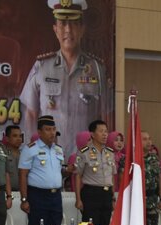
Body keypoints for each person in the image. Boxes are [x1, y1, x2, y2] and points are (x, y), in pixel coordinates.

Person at [19, 0, 112, 158]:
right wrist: (34, 149)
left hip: (87, 157)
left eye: (73, 23)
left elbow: (106, 115)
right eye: (62, 23)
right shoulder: (41, 67)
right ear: (55, 29)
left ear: (82, 29)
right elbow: (31, 114)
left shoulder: (97, 68)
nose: (68, 30)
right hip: (49, 155)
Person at [19, 115, 65, 225]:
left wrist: (68, 171)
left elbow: (58, 171)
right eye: (48, 129)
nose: (52, 133)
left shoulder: (58, 149)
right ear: (39, 132)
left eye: (53, 129)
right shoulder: (30, 149)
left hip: (56, 196)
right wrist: (24, 199)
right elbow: (23, 174)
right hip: (38, 196)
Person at [74, 120, 115, 225]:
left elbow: (112, 176)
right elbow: (77, 175)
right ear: (92, 134)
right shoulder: (84, 152)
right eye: (101, 131)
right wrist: (78, 199)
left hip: (107, 194)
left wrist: (113, 197)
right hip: (91, 194)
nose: (105, 134)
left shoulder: (110, 152)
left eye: (106, 131)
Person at [4, 125, 24, 191]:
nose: (19, 139)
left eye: (20, 136)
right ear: (7, 138)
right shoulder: (2, 154)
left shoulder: (25, 154)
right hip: (7, 193)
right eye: (15, 136)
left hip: (23, 193)